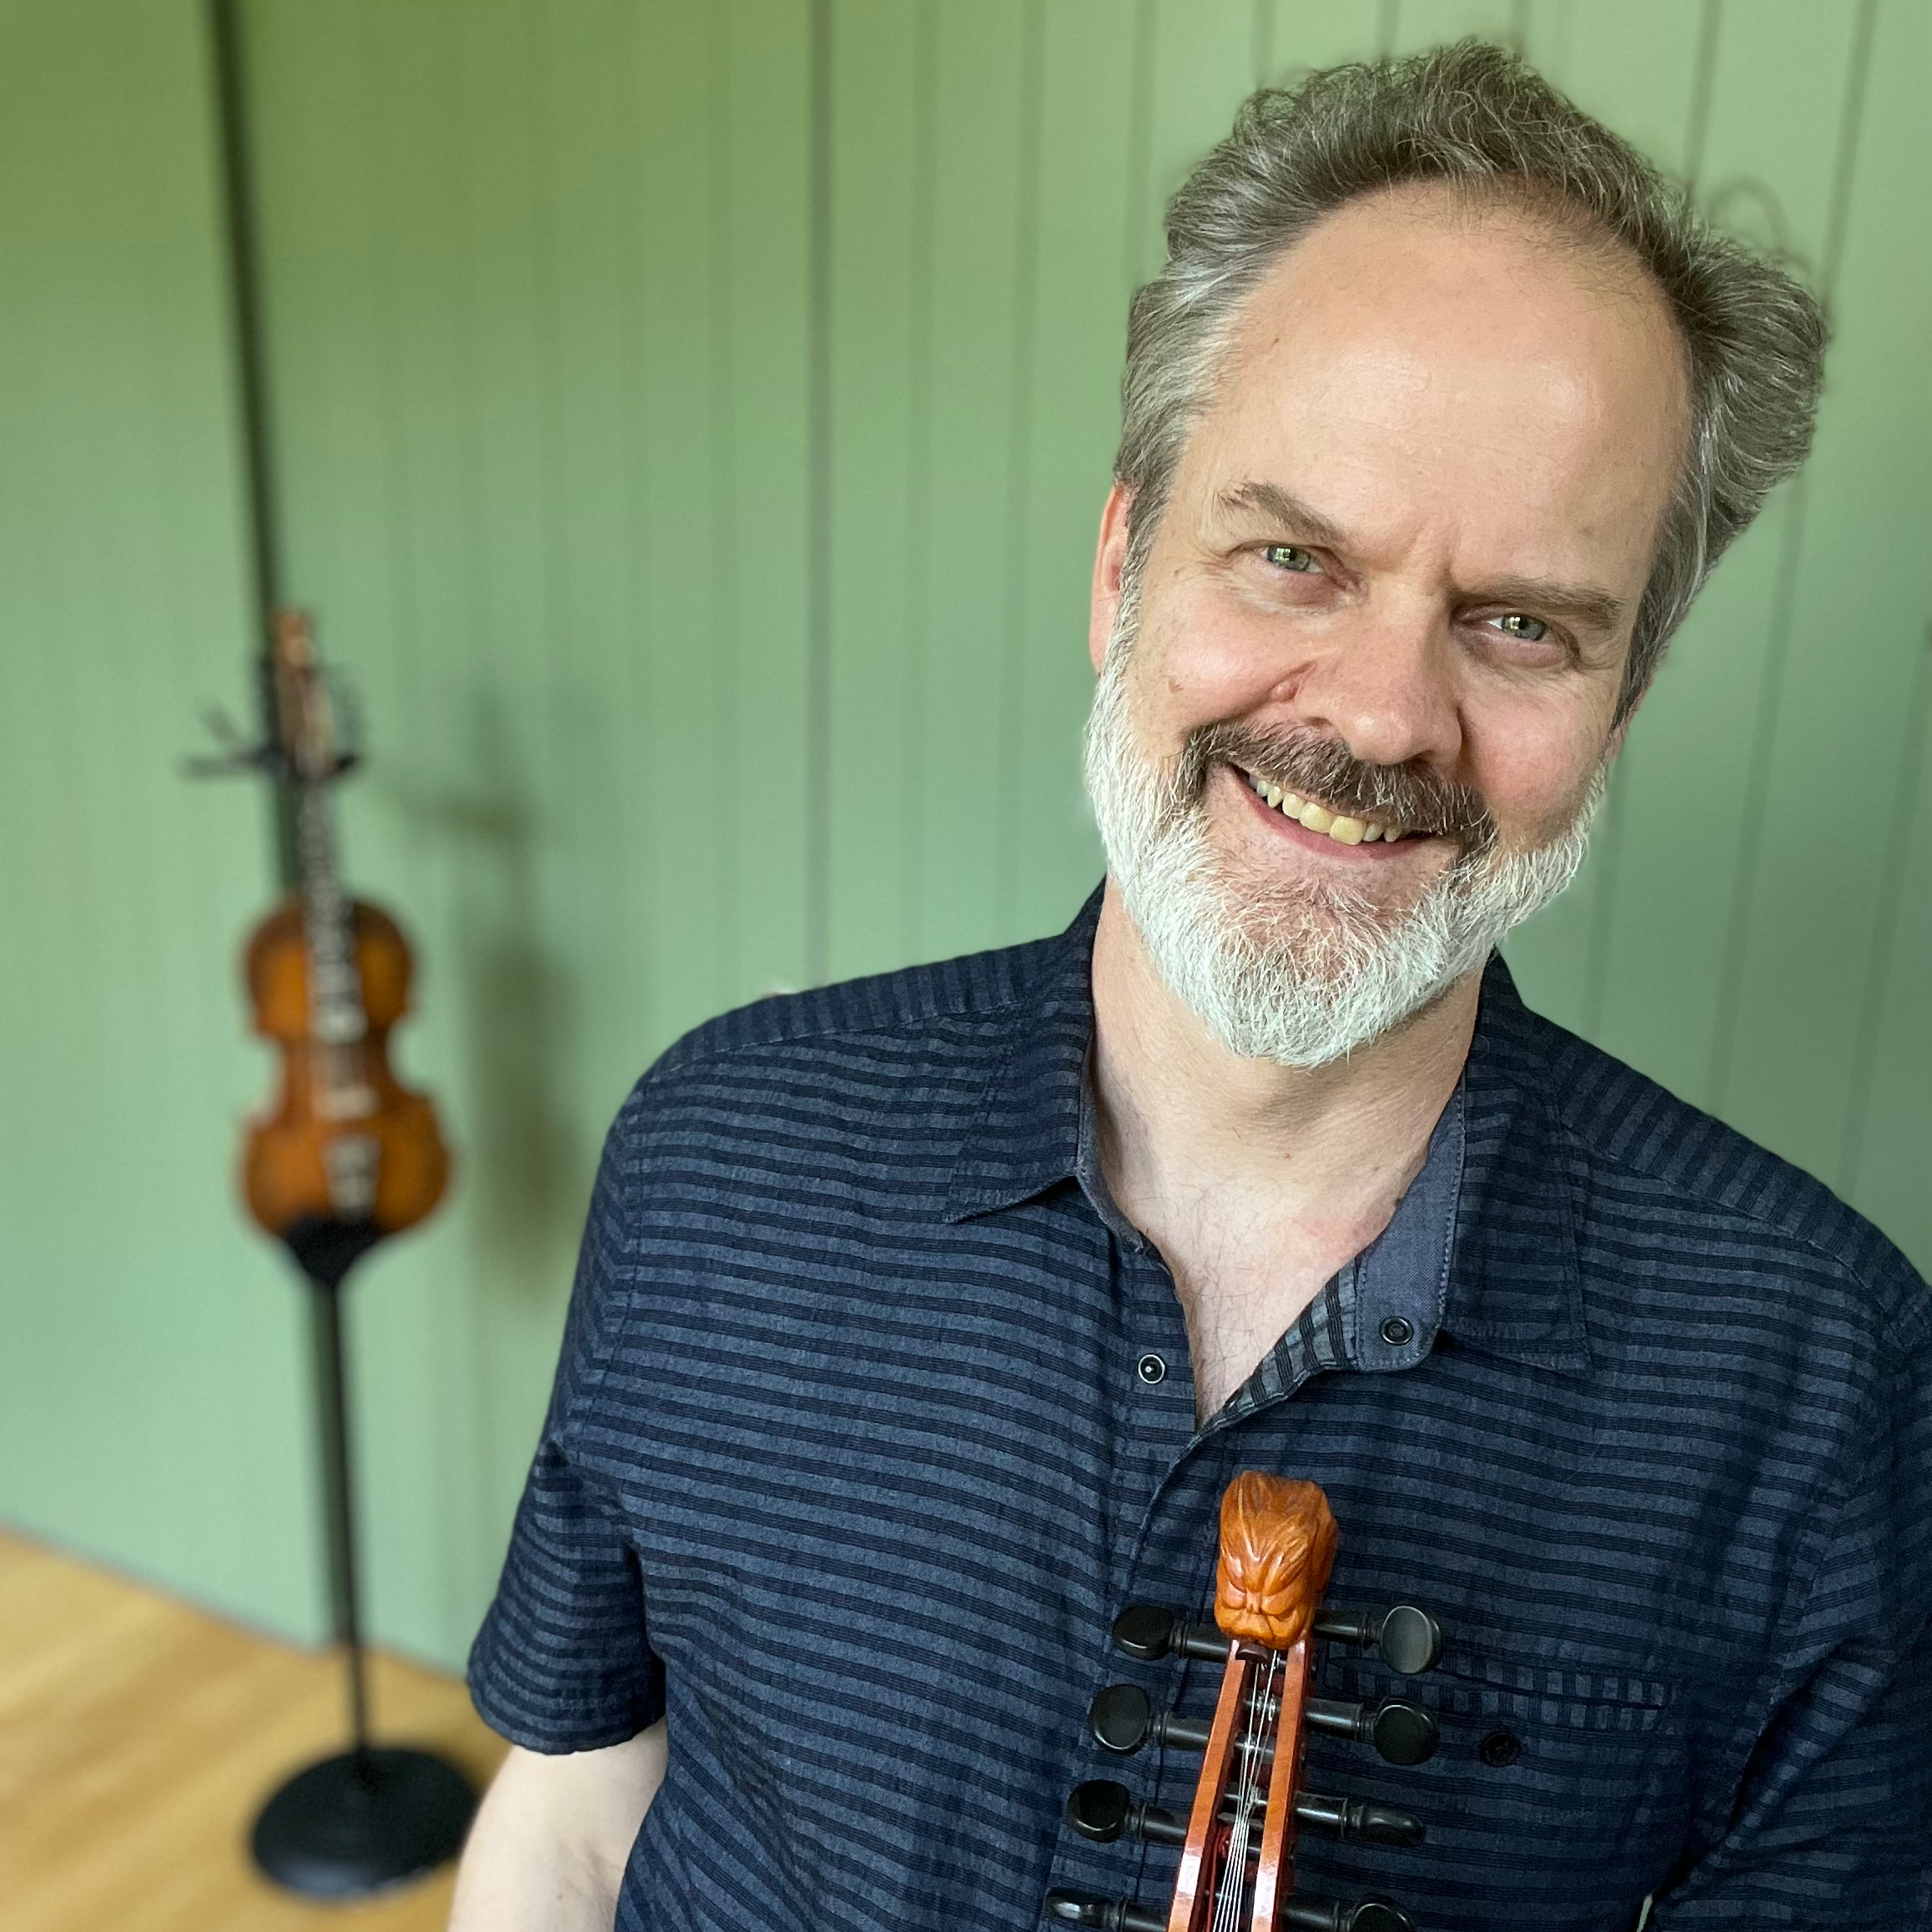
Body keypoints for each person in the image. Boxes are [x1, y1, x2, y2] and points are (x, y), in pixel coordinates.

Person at [449, 41, 1929, 1932]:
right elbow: (579, 1813)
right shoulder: (720, 1149)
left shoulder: (1815, 1370)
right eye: (1294, 555)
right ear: (1127, 568)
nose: (1386, 711)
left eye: (1522, 623)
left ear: (1618, 705)